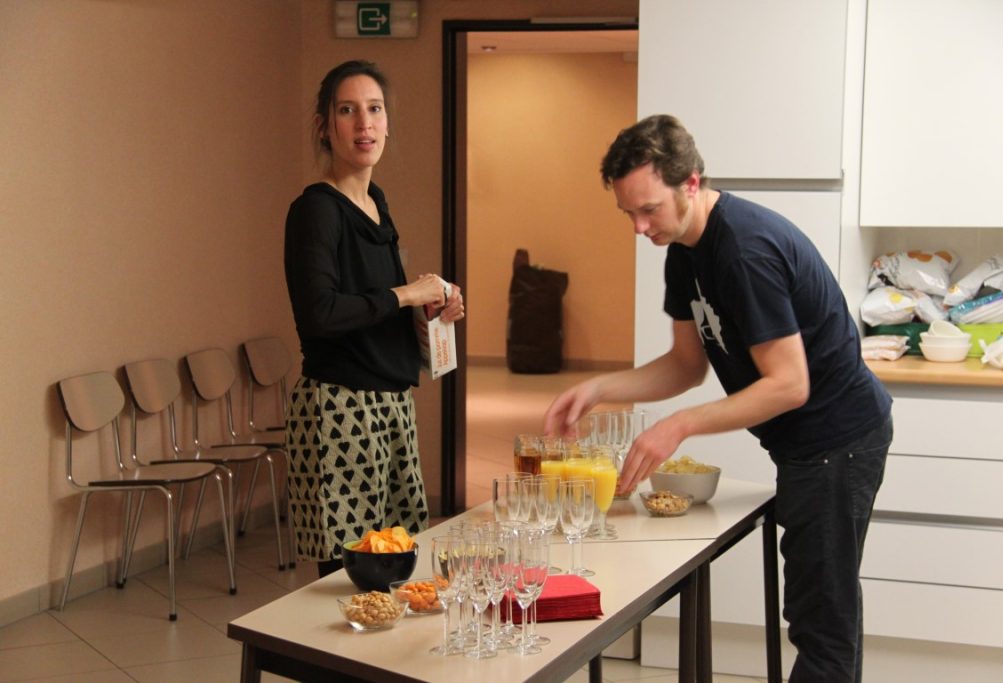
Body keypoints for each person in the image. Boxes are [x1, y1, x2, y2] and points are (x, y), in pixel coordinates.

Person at [544, 114, 892, 683]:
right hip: (806, 444)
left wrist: (679, 425)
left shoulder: (744, 251)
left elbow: (789, 384)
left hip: (838, 441)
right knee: (821, 610)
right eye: (628, 213)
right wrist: (599, 388)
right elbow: (686, 365)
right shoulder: (684, 249)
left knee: (821, 621)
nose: (639, 227)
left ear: (690, 183)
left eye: (648, 209)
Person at [283, 60, 465, 578]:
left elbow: (374, 306)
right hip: (340, 407)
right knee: (351, 574)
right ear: (325, 126)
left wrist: (431, 309)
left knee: (396, 561)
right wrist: (406, 294)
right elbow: (319, 314)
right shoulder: (316, 209)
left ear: (387, 123)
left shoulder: (375, 203)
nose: (364, 123)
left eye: (375, 109)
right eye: (347, 110)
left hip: (391, 404)